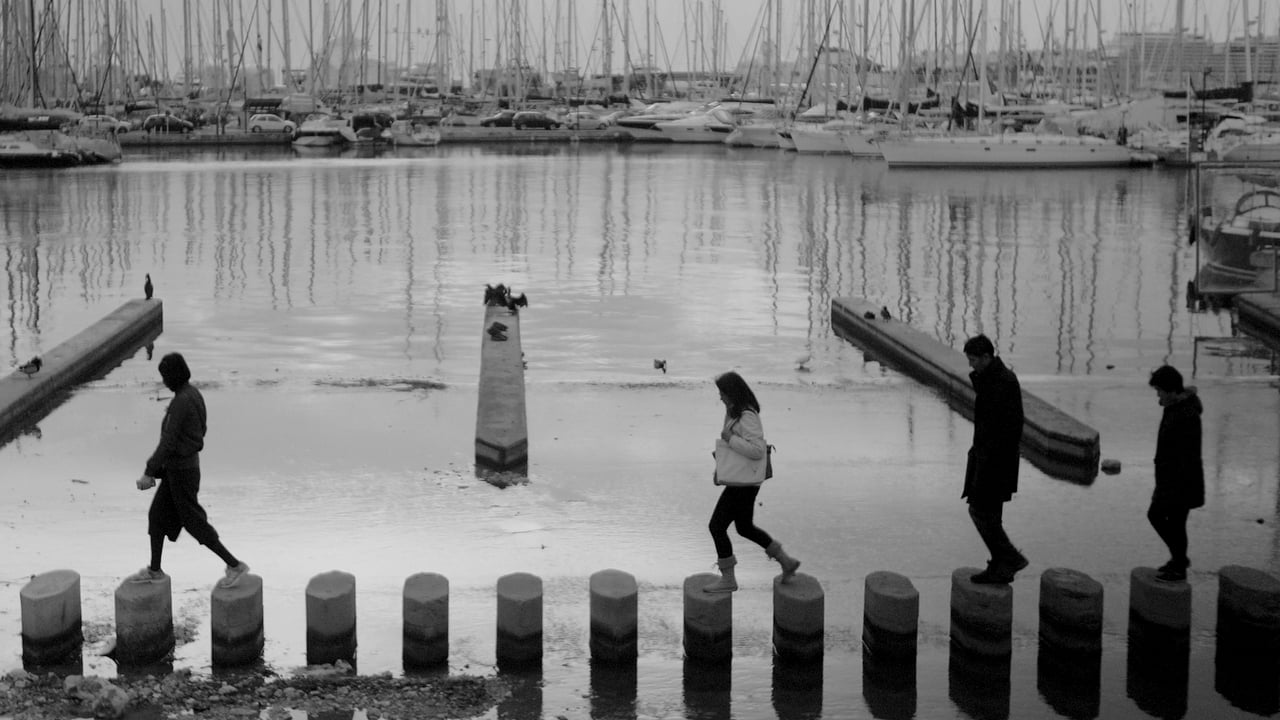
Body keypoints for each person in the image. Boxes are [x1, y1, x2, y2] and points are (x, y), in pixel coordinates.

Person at [129, 352, 249, 589]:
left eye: (165, 376)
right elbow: (199, 431)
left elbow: (169, 441)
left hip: (183, 473)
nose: (164, 381)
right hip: (179, 469)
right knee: (157, 516)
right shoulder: (193, 394)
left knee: (194, 522)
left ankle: (235, 565)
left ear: (173, 376)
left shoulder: (181, 402)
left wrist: (150, 471)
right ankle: (155, 570)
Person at [703, 371, 800, 593]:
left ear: (732, 393)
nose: (720, 397)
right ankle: (786, 561)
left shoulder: (747, 415)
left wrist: (730, 438)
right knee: (744, 527)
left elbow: (757, 451)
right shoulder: (735, 412)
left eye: (722, 393)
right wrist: (722, 467)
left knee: (717, 526)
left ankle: (728, 579)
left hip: (744, 483)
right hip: (742, 480)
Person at [961, 335, 1029, 584]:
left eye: (973, 360)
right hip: (991, 458)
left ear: (987, 357)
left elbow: (1006, 427)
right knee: (990, 514)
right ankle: (1001, 566)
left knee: (979, 511)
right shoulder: (992, 378)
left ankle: (1010, 558)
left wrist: (987, 460)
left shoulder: (1002, 382)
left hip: (995, 461)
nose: (971, 365)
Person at [1147, 365, 1204, 583]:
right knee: (1176, 523)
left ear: (1171, 390)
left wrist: (1168, 484)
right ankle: (1178, 561)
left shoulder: (1186, 414)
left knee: (1158, 516)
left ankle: (1180, 563)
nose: (1158, 395)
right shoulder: (1176, 408)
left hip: (1180, 481)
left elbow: (1185, 454)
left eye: (1159, 391)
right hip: (1173, 479)